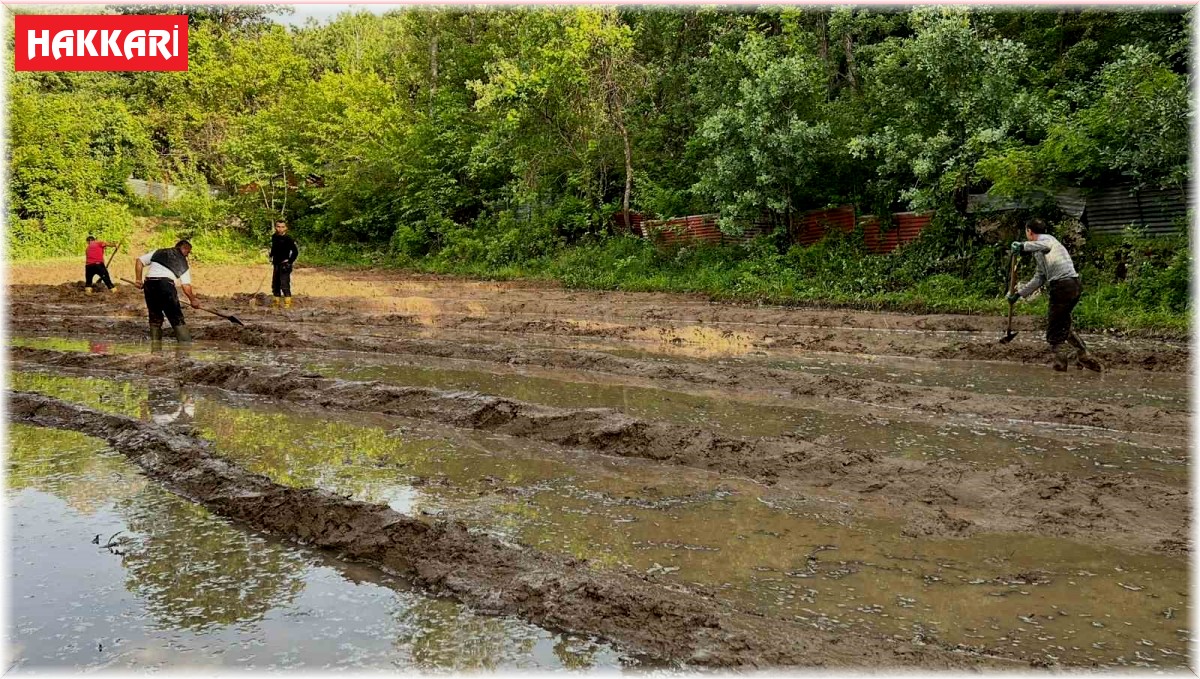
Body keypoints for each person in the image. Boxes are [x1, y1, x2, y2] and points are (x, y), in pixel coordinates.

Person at [1008, 219, 1103, 372]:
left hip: (1063, 286)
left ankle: (1060, 365)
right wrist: (1019, 294)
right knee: (1063, 324)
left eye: (1026, 233)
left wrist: (1023, 246)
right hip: (1071, 286)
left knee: (1054, 330)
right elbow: (1039, 277)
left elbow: (1044, 245)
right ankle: (1083, 353)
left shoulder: (1048, 240)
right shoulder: (1039, 252)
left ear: (1029, 231)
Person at [133, 239, 200, 344]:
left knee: (154, 315)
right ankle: (185, 344)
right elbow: (185, 285)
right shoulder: (182, 262)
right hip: (165, 285)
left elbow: (139, 261)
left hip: (150, 284)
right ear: (184, 248)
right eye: (188, 252)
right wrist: (193, 300)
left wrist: (138, 279)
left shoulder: (159, 252)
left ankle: (155, 345)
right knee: (175, 315)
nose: (187, 255)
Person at [269, 220, 299, 309]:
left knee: (284, 284)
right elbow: (274, 248)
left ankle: (287, 304)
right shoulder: (274, 237)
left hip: (285, 265)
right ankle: (276, 304)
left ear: (286, 228)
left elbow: (295, 252)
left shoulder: (288, 239)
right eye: (278, 226)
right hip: (276, 264)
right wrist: (271, 255)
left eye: (282, 227)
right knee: (275, 284)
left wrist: (289, 262)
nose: (280, 229)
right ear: (275, 227)